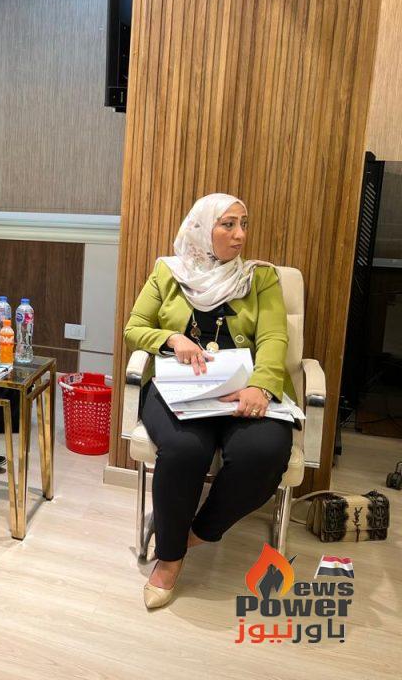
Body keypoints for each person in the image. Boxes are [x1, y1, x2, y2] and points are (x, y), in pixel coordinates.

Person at [124, 193, 295, 609]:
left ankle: (195, 533)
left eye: (244, 224)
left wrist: (261, 386)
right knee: (183, 449)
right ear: (202, 229)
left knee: (264, 452)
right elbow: (134, 327)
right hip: (180, 388)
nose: (240, 235)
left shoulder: (260, 277)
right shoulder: (168, 272)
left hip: (243, 390)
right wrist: (170, 338)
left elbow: (274, 337)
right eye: (228, 224)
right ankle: (169, 560)